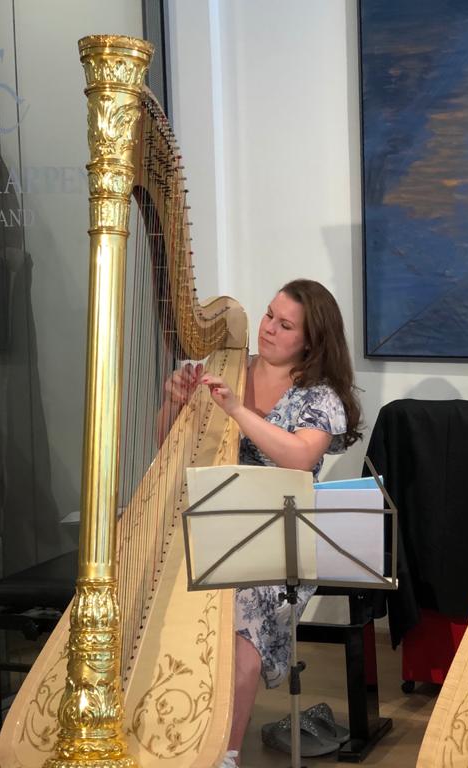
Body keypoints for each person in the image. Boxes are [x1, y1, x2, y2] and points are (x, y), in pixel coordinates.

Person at [162, 279, 361, 768]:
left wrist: (235, 410)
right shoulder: (224, 368)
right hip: (212, 521)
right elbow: (164, 446)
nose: (268, 328)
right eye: (269, 315)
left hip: (276, 535)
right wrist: (171, 400)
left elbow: (297, 458)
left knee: (243, 610)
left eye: (284, 324)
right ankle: (168, 725)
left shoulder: (320, 395)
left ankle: (223, 751)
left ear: (310, 341)